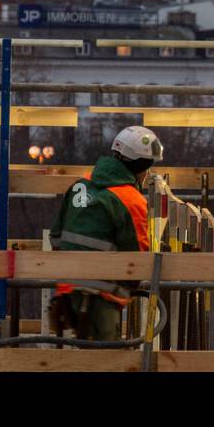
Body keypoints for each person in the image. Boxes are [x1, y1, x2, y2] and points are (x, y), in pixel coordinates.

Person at [47, 125, 162, 340]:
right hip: (101, 296)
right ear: (142, 165)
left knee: (83, 356)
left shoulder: (80, 185)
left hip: (67, 291)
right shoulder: (131, 200)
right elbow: (138, 255)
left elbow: (55, 236)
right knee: (106, 359)